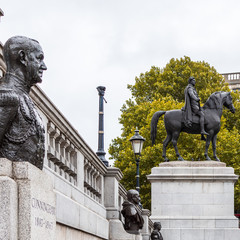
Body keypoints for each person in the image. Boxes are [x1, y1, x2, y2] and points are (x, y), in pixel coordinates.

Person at [0, 36, 47, 169]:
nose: (44, 67)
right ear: (23, 58)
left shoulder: (24, 98)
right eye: (39, 58)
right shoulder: (7, 96)